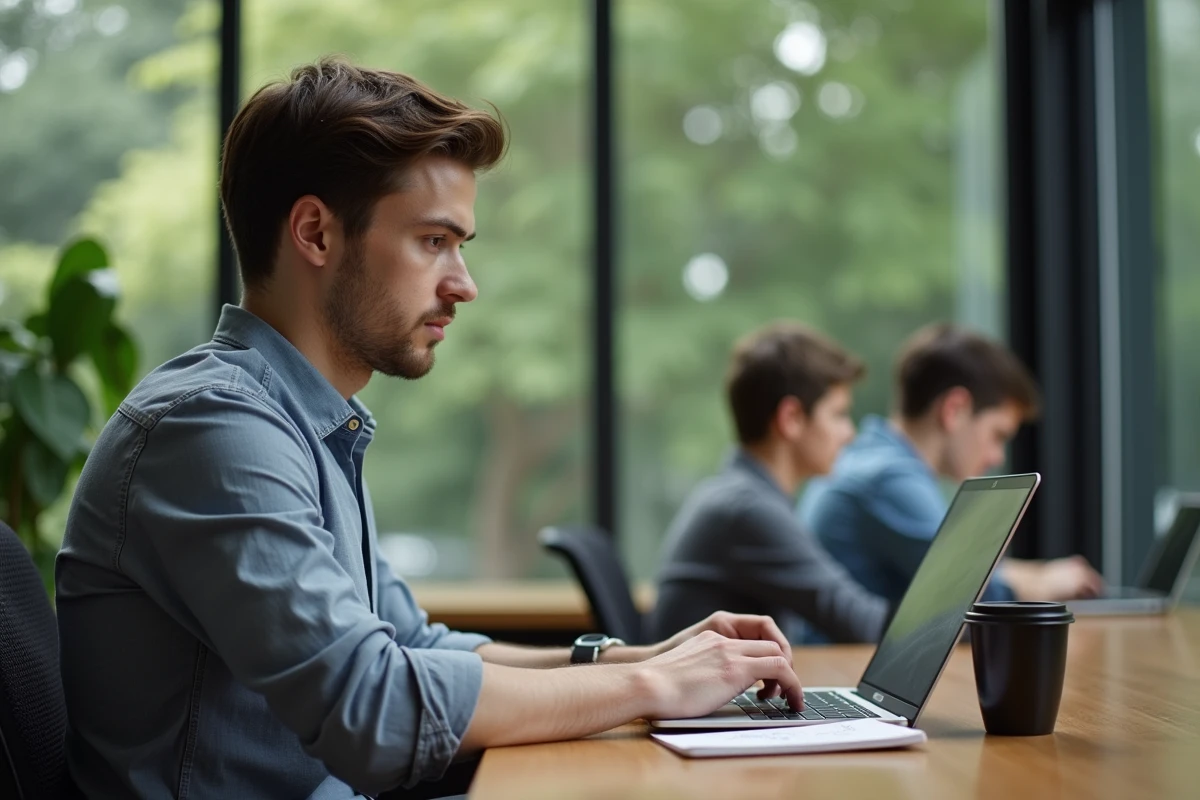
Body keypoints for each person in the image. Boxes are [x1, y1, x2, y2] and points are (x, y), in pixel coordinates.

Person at [54, 58, 804, 800]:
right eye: (433, 241)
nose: (464, 285)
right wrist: (650, 686)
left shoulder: (304, 424)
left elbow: (416, 647)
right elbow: (371, 708)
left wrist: (628, 661)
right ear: (316, 233)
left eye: (461, 246)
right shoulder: (212, 427)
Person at [798, 322, 1105, 608]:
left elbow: (969, 568)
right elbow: (976, 596)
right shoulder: (889, 478)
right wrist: (1047, 583)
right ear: (954, 409)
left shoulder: (871, 458)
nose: (997, 456)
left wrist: (1038, 574)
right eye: (997, 435)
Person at [649, 322, 892, 646]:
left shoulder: (738, 495)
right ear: (791, 418)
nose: (850, 433)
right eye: (838, 415)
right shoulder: (748, 509)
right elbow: (862, 624)